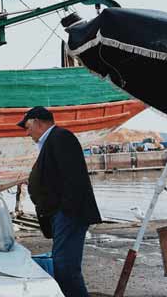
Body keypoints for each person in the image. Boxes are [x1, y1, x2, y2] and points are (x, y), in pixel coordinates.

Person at [17, 106, 101, 297]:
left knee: (66, 269)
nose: (27, 132)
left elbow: (73, 179)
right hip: (60, 216)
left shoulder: (61, 138)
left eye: (27, 127)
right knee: (63, 267)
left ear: (38, 122)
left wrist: (64, 213)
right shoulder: (51, 141)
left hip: (68, 215)